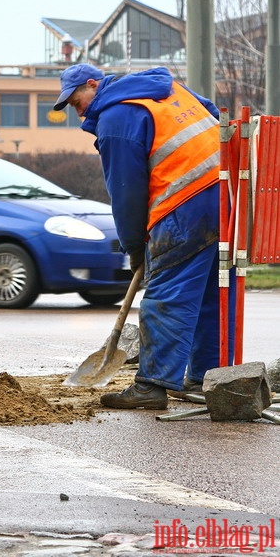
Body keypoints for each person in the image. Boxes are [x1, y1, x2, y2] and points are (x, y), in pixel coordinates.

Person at [54, 63, 221, 409]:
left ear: (92, 84)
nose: (76, 109)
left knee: (167, 293)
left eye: (75, 100)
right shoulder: (167, 89)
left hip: (186, 204)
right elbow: (213, 112)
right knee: (207, 292)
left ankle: (152, 386)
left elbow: (126, 194)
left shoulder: (116, 119)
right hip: (228, 193)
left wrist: (134, 247)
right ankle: (206, 379)